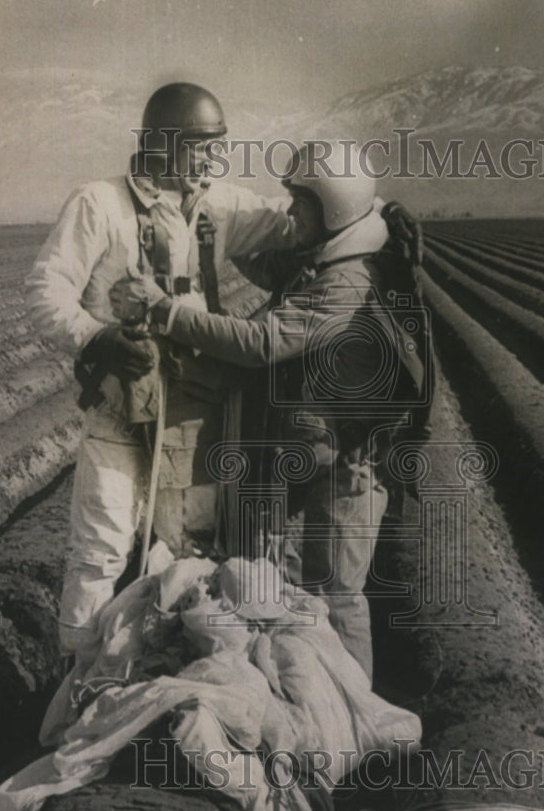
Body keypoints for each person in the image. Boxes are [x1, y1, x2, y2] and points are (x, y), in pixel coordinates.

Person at [112, 142, 428, 679]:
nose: (290, 213)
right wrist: (214, 233)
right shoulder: (337, 252)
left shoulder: (347, 282)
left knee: (338, 592)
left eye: (301, 203)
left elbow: (259, 342)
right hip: (320, 456)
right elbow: (271, 267)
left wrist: (164, 310)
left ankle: (353, 722)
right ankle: (309, 701)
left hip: (350, 466)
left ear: (333, 207)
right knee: (298, 588)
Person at [26, 82, 294, 667]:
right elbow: (46, 289)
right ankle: (80, 680)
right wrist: (98, 337)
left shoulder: (214, 206)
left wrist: (373, 212)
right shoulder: (100, 204)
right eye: (200, 146)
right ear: (164, 143)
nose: (210, 159)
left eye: (214, 147)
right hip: (122, 412)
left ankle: (156, 678)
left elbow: (286, 221)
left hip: (192, 412)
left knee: (180, 552)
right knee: (101, 551)